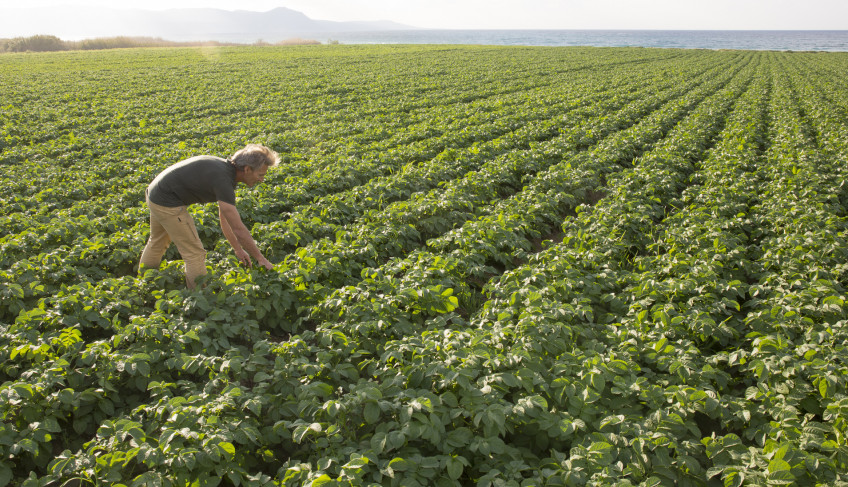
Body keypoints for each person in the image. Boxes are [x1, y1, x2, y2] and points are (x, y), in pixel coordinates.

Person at [139, 144, 278, 288]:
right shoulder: (223, 180)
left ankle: (143, 282)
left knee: (157, 241)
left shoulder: (226, 171)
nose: (262, 179)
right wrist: (261, 259)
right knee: (194, 254)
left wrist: (237, 248)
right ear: (247, 169)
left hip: (155, 192)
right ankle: (198, 299)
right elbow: (239, 229)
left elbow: (225, 217)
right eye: (260, 175)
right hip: (166, 201)